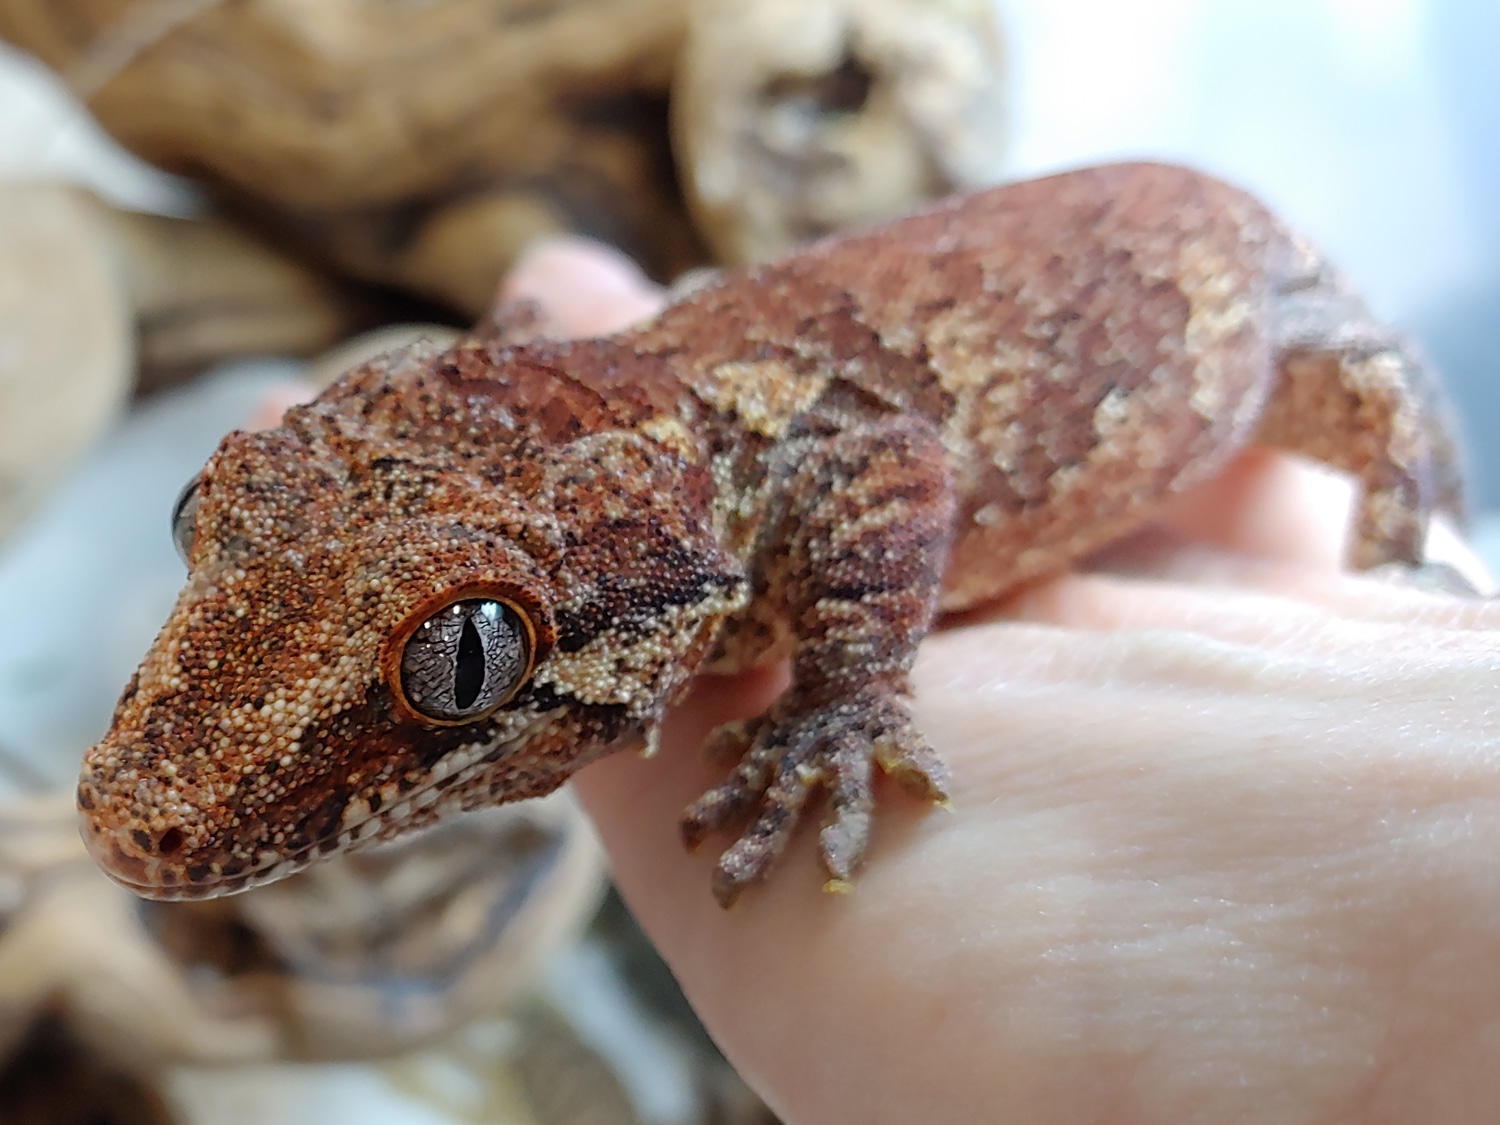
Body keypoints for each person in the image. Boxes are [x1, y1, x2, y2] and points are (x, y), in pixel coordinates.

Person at [275, 238, 1500, 1123]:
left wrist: (846, 696)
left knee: (1395, 455)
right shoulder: (618, 461)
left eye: (460, 664)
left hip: (1258, 306)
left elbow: (893, 460)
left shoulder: (769, 497)